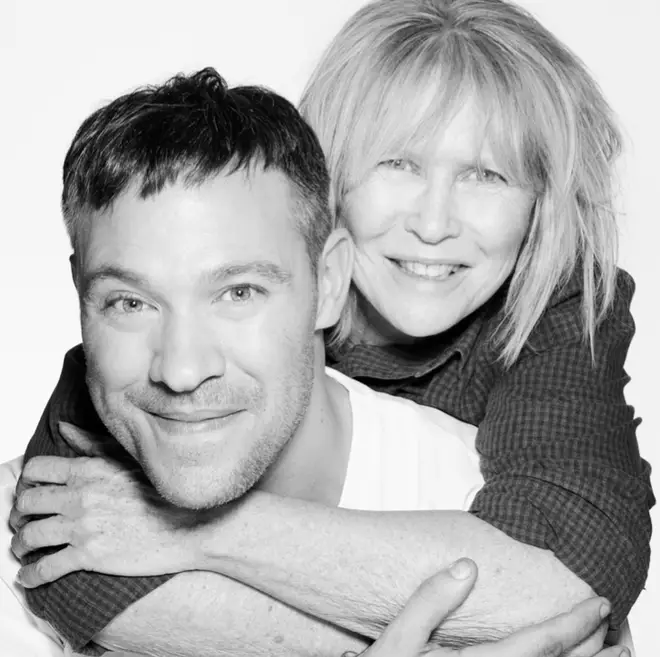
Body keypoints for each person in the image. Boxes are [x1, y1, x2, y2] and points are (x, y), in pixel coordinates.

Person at [10, 65, 622, 657]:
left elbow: (569, 598)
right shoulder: (66, 501)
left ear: (328, 279)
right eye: (129, 301)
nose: (181, 369)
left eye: (239, 292)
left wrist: (190, 530)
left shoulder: (493, 487)